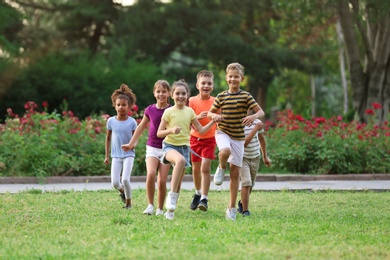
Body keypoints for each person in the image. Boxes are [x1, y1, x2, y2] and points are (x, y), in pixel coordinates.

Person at [208, 62, 265, 221]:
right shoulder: (221, 96)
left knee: (235, 174)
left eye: (236, 77)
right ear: (226, 78)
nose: (233, 79)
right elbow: (210, 113)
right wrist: (215, 116)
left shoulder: (246, 96)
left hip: (238, 137)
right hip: (223, 131)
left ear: (242, 78)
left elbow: (260, 112)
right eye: (230, 76)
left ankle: (231, 208)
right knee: (224, 151)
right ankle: (220, 167)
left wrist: (252, 116)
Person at [157, 80, 216, 220]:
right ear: (172, 95)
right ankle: (171, 197)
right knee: (180, 161)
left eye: (183, 94)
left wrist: (214, 121)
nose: (180, 96)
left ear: (187, 95)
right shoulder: (168, 112)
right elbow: (159, 133)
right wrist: (171, 130)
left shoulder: (190, 112)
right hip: (169, 147)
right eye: (177, 93)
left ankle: (170, 212)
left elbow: (200, 130)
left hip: (184, 148)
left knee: (178, 181)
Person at [122, 80, 171, 216]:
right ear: (154, 93)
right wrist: (131, 143)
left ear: (169, 93)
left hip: (167, 148)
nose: (161, 94)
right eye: (158, 91)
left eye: (164, 91)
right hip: (152, 147)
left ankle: (160, 208)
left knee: (161, 180)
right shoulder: (150, 109)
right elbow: (140, 127)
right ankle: (150, 205)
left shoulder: (171, 110)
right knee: (150, 174)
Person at [104, 84, 137, 209]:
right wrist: (107, 156)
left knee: (125, 180)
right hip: (116, 156)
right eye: (118, 105)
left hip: (129, 155)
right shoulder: (111, 121)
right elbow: (108, 138)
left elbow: (136, 138)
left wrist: (132, 145)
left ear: (129, 106)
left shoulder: (132, 122)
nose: (121, 107)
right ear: (114, 105)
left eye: (124, 105)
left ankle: (128, 204)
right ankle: (124, 193)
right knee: (115, 183)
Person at [188, 70, 217, 212]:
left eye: (209, 83)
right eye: (203, 83)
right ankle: (198, 193)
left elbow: (220, 117)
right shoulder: (192, 101)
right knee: (196, 168)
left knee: (205, 167)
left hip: (210, 138)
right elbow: (187, 118)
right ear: (197, 85)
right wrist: (198, 117)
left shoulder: (216, 101)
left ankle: (204, 198)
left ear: (213, 85)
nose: (206, 85)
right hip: (194, 138)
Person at [238, 114, 272, 217]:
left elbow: (261, 139)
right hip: (242, 158)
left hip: (255, 157)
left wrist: (265, 156)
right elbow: (243, 144)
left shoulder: (256, 122)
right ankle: (245, 211)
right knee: (246, 182)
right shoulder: (238, 124)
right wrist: (255, 129)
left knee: (250, 185)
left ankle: (241, 203)